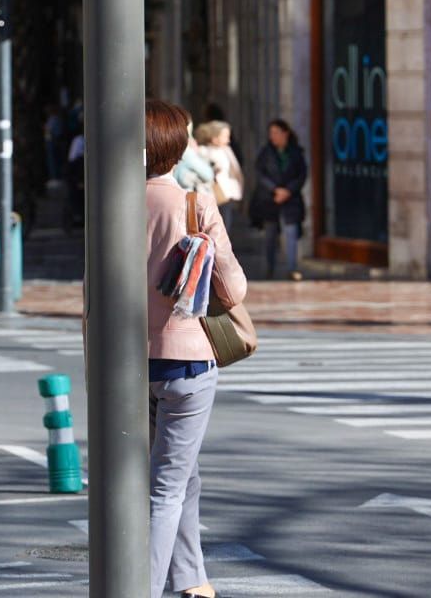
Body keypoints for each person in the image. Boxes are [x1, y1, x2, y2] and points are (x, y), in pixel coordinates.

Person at [145, 99, 247, 598]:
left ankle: (191, 580)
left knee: (183, 476)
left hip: (128, 363)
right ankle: (139, 588)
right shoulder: (193, 203)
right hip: (187, 359)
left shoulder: (107, 205)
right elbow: (235, 288)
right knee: (165, 487)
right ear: (176, 148)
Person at [249, 119, 307, 281]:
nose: (273, 136)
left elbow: (302, 175)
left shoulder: (296, 153)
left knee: (291, 233)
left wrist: (288, 190)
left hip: (291, 199)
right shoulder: (266, 153)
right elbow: (260, 174)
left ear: (285, 133)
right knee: (270, 235)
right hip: (270, 199)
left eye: (276, 132)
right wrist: (275, 189)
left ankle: (292, 268)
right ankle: (270, 267)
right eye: (271, 133)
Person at [194, 120, 244, 232]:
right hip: (210, 195)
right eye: (225, 136)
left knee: (225, 227)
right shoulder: (203, 151)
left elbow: (236, 171)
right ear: (214, 137)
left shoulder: (227, 150)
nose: (228, 140)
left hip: (225, 195)